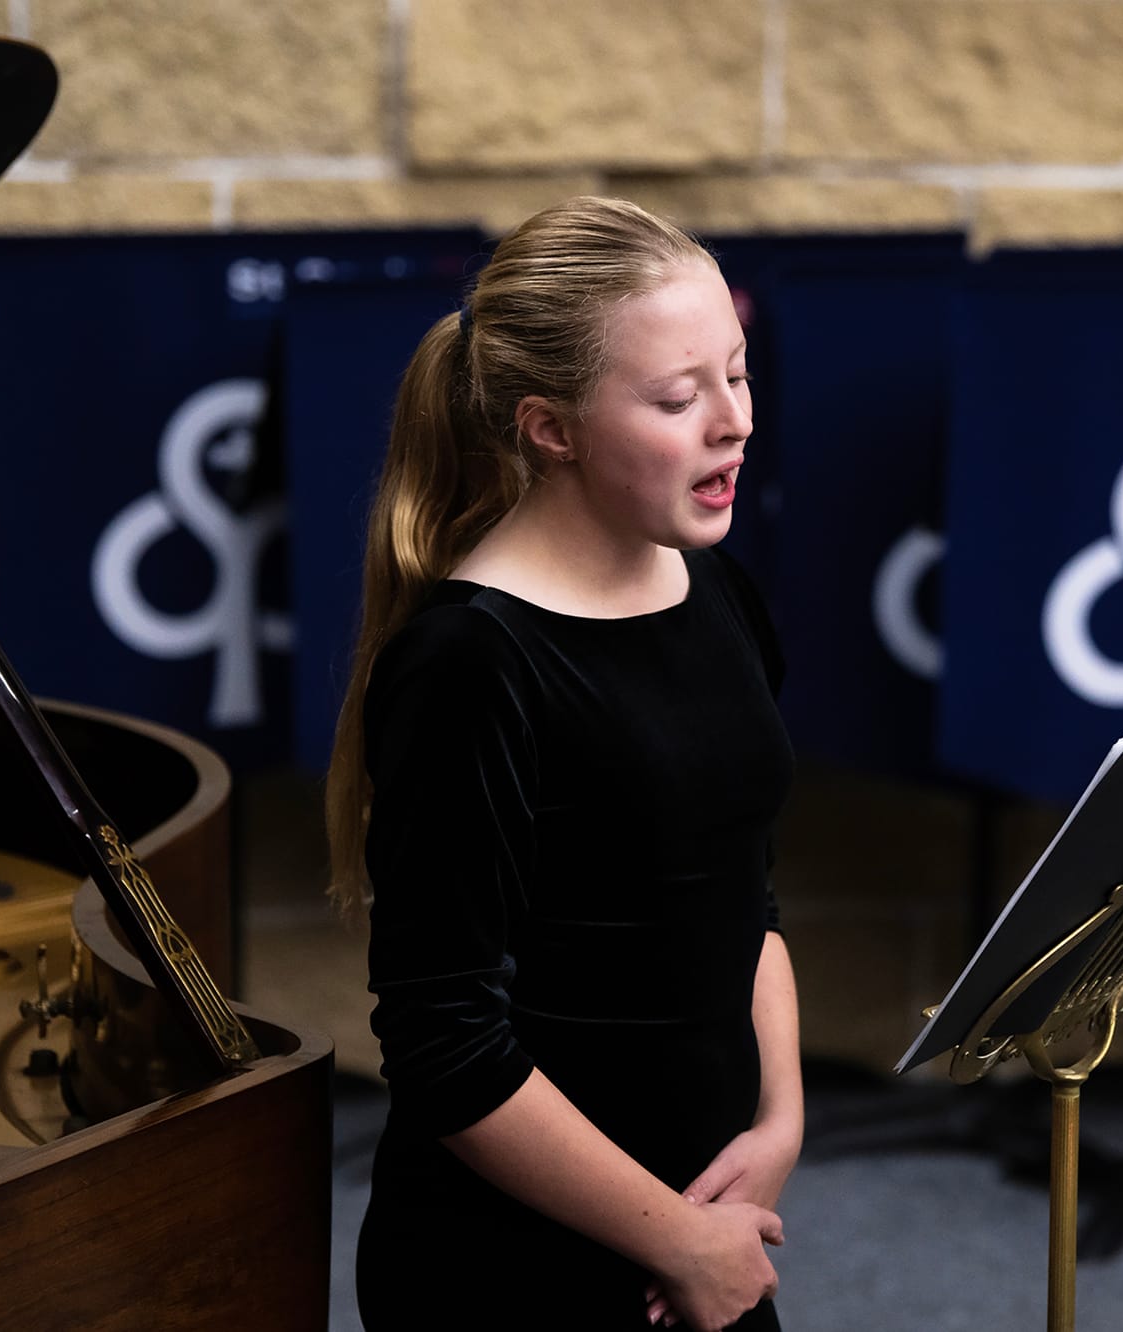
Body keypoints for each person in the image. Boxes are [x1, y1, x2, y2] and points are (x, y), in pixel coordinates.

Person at [324, 196, 801, 1331]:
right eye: (679, 398)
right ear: (551, 429)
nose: (731, 421)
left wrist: (780, 1125)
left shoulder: (714, 586)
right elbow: (445, 1047)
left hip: (699, 1230)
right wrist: (677, 1238)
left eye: (737, 374)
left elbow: (748, 898)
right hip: (514, 1262)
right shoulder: (471, 664)